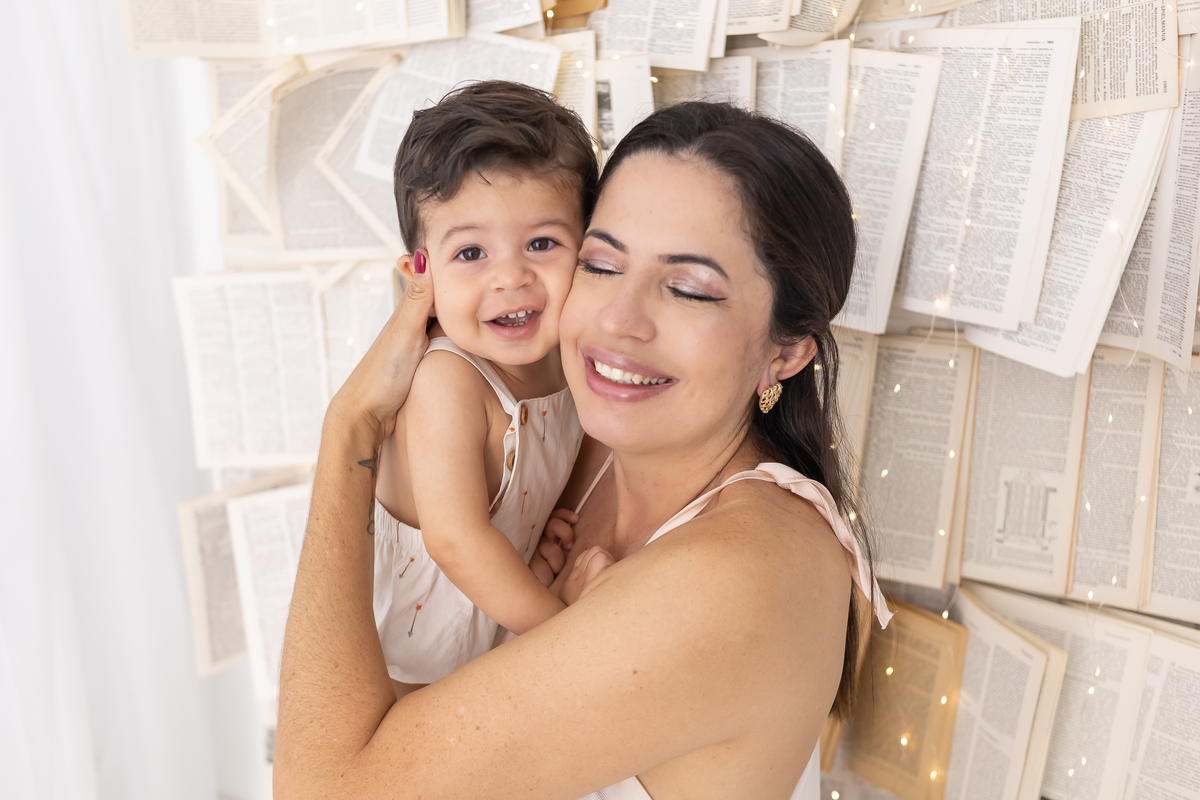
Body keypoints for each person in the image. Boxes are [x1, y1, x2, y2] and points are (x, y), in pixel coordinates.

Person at [275, 102, 893, 800]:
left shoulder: (732, 576)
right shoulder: (594, 442)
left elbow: (321, 789)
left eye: (688, 289)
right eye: (600, 265)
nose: (617, 322)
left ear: (786, 351)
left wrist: (350, 427)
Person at [371, 80, 610, 696]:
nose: (510, 276)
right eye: (471, 252)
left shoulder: (567, 360)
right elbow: (455, 539)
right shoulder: (446, 380)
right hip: (404, 669)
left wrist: (531, 552)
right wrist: (566, 637)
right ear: (419, 276)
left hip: (487, 642)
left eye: (541, 243)